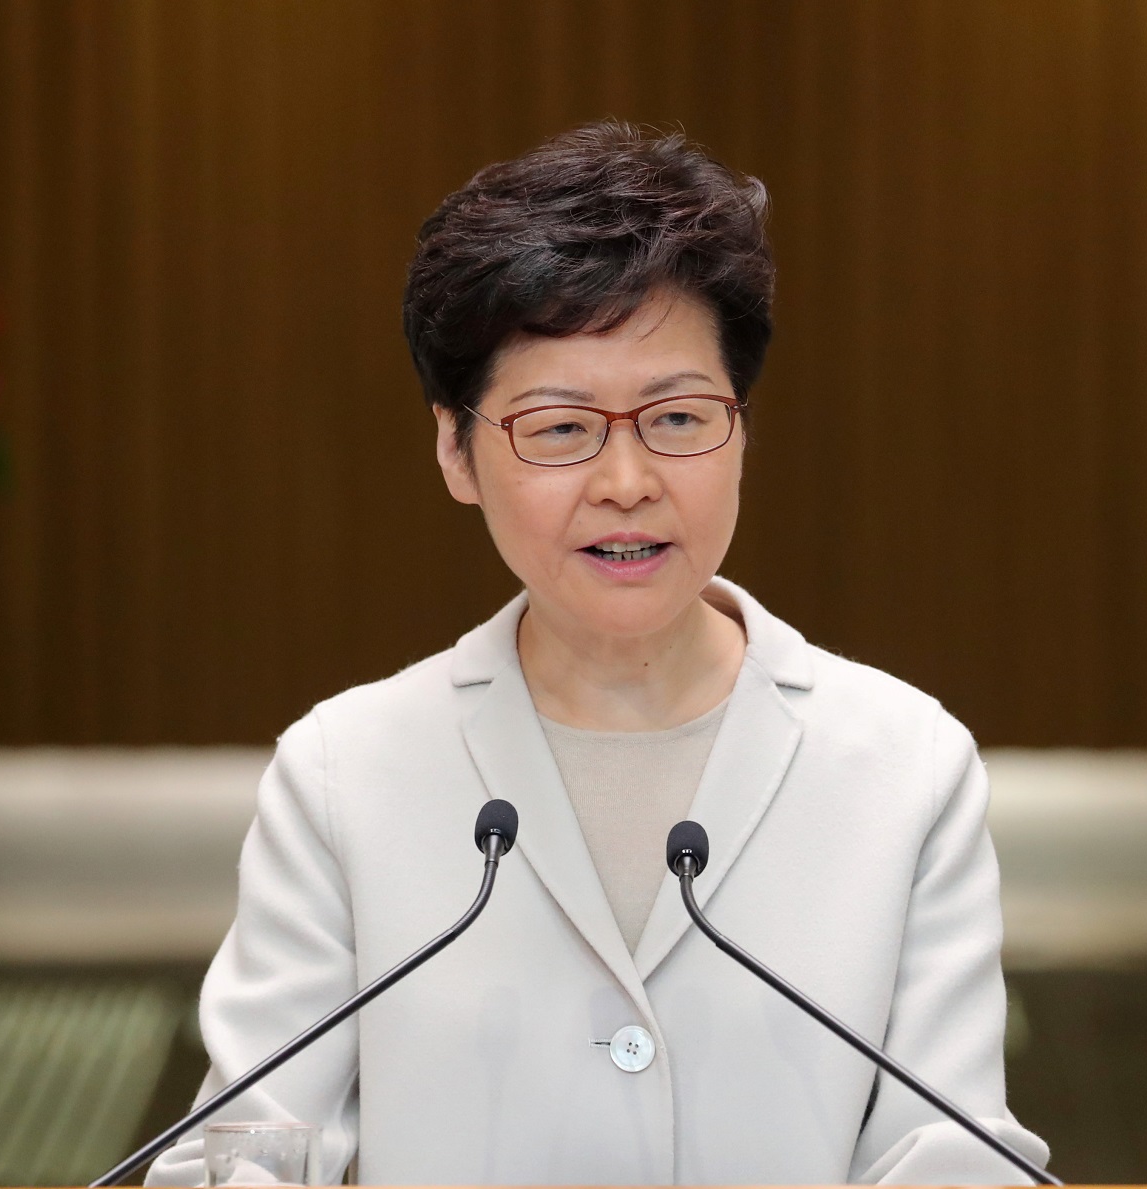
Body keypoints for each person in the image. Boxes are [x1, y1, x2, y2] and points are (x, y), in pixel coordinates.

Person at [147, 123, 1050, 1186]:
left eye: (675, 417)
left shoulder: (902, 764)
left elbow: (950, 1151)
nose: (625, 481)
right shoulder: (346, 771)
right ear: (455, 449)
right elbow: (246, 1147)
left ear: (741, 429)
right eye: (561, 429)